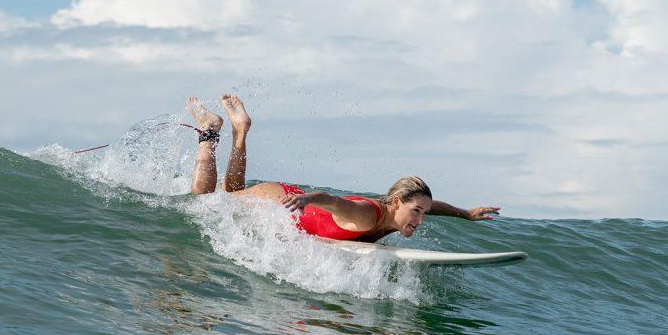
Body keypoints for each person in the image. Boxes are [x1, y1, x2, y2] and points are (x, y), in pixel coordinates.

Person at [187, 94, 500, 243]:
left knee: (231, 192)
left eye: (423, 212)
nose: (421, 219)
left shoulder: (395, 214)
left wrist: (465, 213)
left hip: (294, 201)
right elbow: (335, 202)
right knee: (205, 201)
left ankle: (241, 129)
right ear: (395, 203)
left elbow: (433, 207)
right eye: (416, 212)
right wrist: (308, 199)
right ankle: (209, 130)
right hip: (283, 203)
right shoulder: (366, 215)